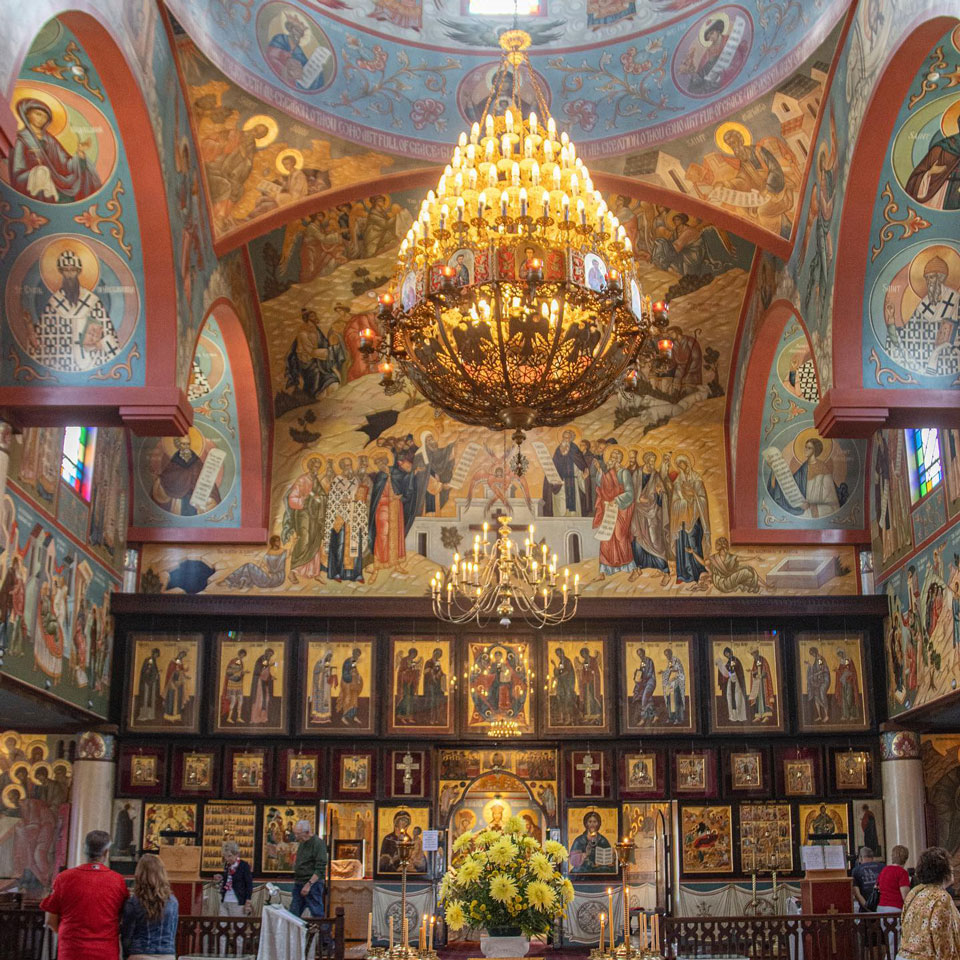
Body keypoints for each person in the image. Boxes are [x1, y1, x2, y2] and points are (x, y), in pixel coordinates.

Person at [39, 829, 128, 960]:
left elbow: (50, 920)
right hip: (105, 952)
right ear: (106, 852)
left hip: (72, 951)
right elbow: (123, 917)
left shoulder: (64, 878)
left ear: (84, 850)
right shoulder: (117, 880)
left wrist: (69, 936)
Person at [897, 846, 960, 960]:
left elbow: (905, 925)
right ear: (944, 870)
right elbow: (942, 939)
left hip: (904, 955)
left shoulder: (915, 892)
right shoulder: (941, 897)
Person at [121, 854, 179, 960]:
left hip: (140, 954)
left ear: (139, 874)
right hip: (166, 954)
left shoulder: (133, 902)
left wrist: (126, 955)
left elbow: (127, 936)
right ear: (162, 874)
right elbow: (172, 932)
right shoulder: (173, 902)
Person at [291, 820, 328, 917]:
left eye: (298, 834)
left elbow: (320, 868)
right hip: (299, 882)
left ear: (307, 832)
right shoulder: (302, 843)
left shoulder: (318, 844)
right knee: (293, 913)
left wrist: (309, 884)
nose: (296, 836)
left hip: (312, 884)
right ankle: (295, 932)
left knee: (317, 913)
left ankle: (323, 932)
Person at [217, 841, 253, 917]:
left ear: (236, 854)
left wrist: (248, 901)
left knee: (237, 927)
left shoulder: (244, 866)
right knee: (221, 926)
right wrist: (222, 877)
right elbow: (229, 879)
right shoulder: (227, 866)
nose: (227, 859)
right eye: (225, 856)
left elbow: (249, 885)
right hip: (225, 900)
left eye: (229, 856)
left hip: (237, 902)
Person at [878, 845, 911, 913]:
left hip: (881, 907)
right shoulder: (902, 873)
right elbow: (905, 896)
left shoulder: (884, 870)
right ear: (905, 858)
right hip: (895, 908)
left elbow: (878, 886)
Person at [852, 846, 884, 911]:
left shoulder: (856, 870)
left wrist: (868, 908)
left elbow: (857, 894)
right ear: (872, 857)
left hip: (865, 910)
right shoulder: (882, 867)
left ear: (860, 858)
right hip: (881, 907)